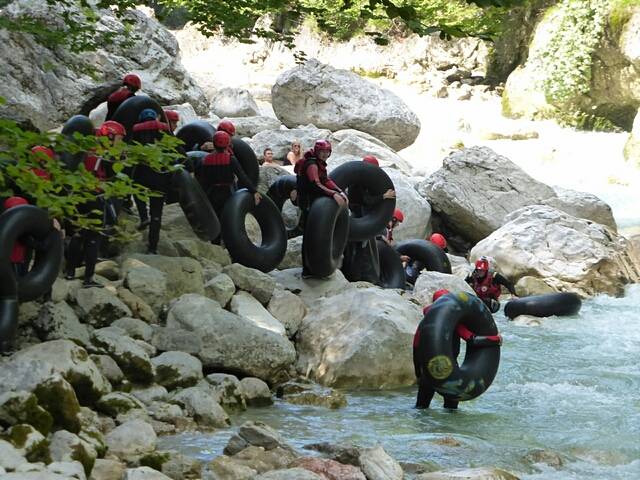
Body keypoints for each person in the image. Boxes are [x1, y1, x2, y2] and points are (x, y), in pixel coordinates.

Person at [413, 289, 502, 409]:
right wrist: (495, 339)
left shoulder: (424, 324)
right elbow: (472, 339)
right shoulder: (455, 324)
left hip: (427, 374)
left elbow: (416, 347)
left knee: (421, 408)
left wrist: (418, 373)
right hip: (450, 374)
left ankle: (423, 427)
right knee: (451, 410)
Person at [65, 120, 125, 287]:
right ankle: (88, 278)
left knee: (78, 234)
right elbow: (101, 175)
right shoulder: (99, 152)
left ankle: (70, 272)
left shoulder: (89, 146)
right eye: (119, 138)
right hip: (92, 196)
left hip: (78, 196)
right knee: (93, 236)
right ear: (110, 136)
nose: (120, 142)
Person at [194, 130, 261, 241]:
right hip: (228, 193)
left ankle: (216, 244)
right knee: (229, 220)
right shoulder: (230, 159)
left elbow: (201, 179)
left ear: (214, 144)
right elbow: (242, 177)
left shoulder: (204, 160)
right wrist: (254, 191)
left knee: (215, 219)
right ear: (227, 145)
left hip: (211, 194)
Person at [294, 139, 347, 278]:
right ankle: (307, 269)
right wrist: (334, 194)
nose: (325, 154)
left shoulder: (319, 163)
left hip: (314, 201)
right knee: (308, 235)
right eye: (322, 152)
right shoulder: (312, 165)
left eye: (327, 152)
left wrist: (339, 190)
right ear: (317, 151)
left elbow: (325, 180)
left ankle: (311, 268)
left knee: (311, 234)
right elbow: (316, 184)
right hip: (307, 202)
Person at [342, 155, 395, 284]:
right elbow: (366, 200)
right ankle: (359, 276)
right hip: (360, 220)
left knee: (361, 247)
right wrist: (384, 196)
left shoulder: (360, 182)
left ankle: (358, 276)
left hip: (360, 218)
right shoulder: (358, 184)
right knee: (361, 248)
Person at [130, 109, 171, 254]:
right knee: (157, 214)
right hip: (159, 174)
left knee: (136, 190)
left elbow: (131, 150)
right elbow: (175, 148)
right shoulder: (164, 129)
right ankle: (152, 248)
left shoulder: (136, 130)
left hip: (141, 172)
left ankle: (143, 216)